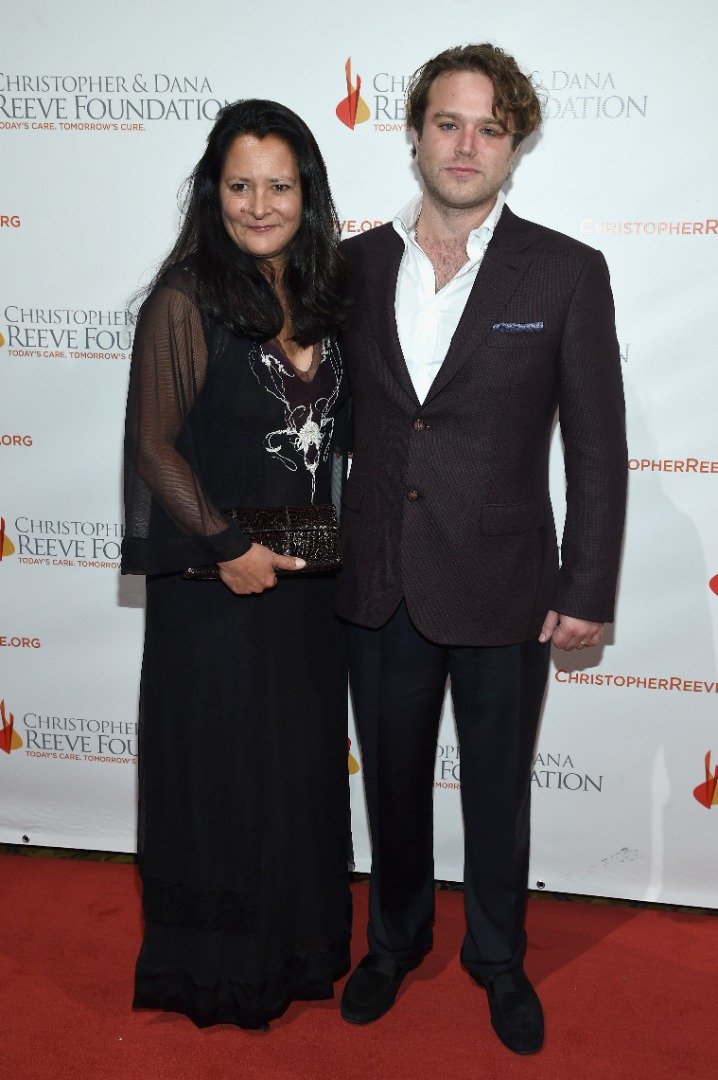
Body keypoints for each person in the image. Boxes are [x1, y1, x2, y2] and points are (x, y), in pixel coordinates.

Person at [337, 43, 627, 1054]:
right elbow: (315, 420)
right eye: (448, 123)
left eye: (489, 128)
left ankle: (497, 958)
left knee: (499, 793)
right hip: (377, 581)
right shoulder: (352, 266)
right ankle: (394, 941)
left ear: (515, 146)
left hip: (507, 586)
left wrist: (588, 583)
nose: (466, 145)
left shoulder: (564, 271)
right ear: (414, 133)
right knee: (390, 782)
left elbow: (596, 447)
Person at [121, 99, 352, 1030]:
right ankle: (218, 973)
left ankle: (296, 951)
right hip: (217, 585)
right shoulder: (185, 298)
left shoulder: (327, 293)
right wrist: (226, 550)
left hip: (307, 584)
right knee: (219, 780)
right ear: (213, 192)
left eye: (281, 185)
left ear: (310, 193)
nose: (260, 204)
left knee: (293, 776)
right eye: (240, 185)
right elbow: (155, 446)